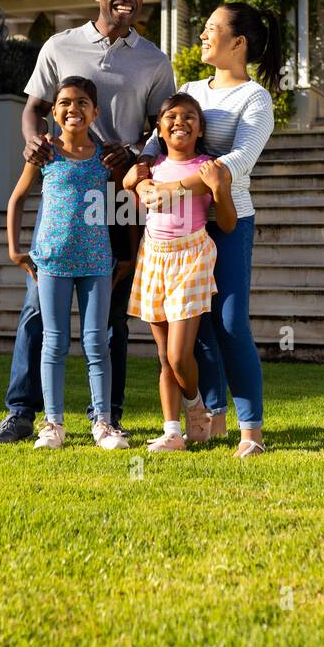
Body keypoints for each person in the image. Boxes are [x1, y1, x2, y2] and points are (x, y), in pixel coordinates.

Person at [0, 0, 176, 445]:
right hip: (65, 194)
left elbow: (163, 128)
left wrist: (134, 154)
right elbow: (33, 108)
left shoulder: (155, 61)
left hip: (117, 196)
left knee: (112, 313)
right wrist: (32, 142)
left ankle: (105, 417)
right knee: (36, 313)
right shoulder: (59, 46)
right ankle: (23, 413)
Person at [124, 2, 281, 458]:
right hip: (175, 234)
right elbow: (155, 143)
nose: (203, 36)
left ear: (239, 43)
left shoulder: (255, 98)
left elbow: (238, 162)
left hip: (227, 222)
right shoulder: (190, 88)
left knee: (231, 323)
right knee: (199, 327)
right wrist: (142, 175)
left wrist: (170, 190)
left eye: (212, 29)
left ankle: (252, 432)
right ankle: (211, 417)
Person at [6, 77, 128, 450]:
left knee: (96, 344)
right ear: (54, 111)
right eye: (64, 103)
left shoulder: (105, 159)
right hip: (52, 263)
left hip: (96, 264)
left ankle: (104, 424)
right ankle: (53, 425)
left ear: (95, 112)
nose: (72, 108)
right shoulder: (44, 154)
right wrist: (15, 249)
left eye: (81, 103)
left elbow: (124, 207)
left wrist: (127, 256)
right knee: (54, 344)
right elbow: (17, 199)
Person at [126, 93, 235, 452]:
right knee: (163, 359)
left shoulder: (207, 167)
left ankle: (196, 409)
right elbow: (128, 181)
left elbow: (230, 224)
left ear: (200, 128)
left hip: (190, 258)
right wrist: (141, 179)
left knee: (178, 356)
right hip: (154, 257)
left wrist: (220, 189)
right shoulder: (152, 168)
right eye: (170, 116)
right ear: (158, 127)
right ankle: (172, 431)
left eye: (189, 116)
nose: (180, 122)